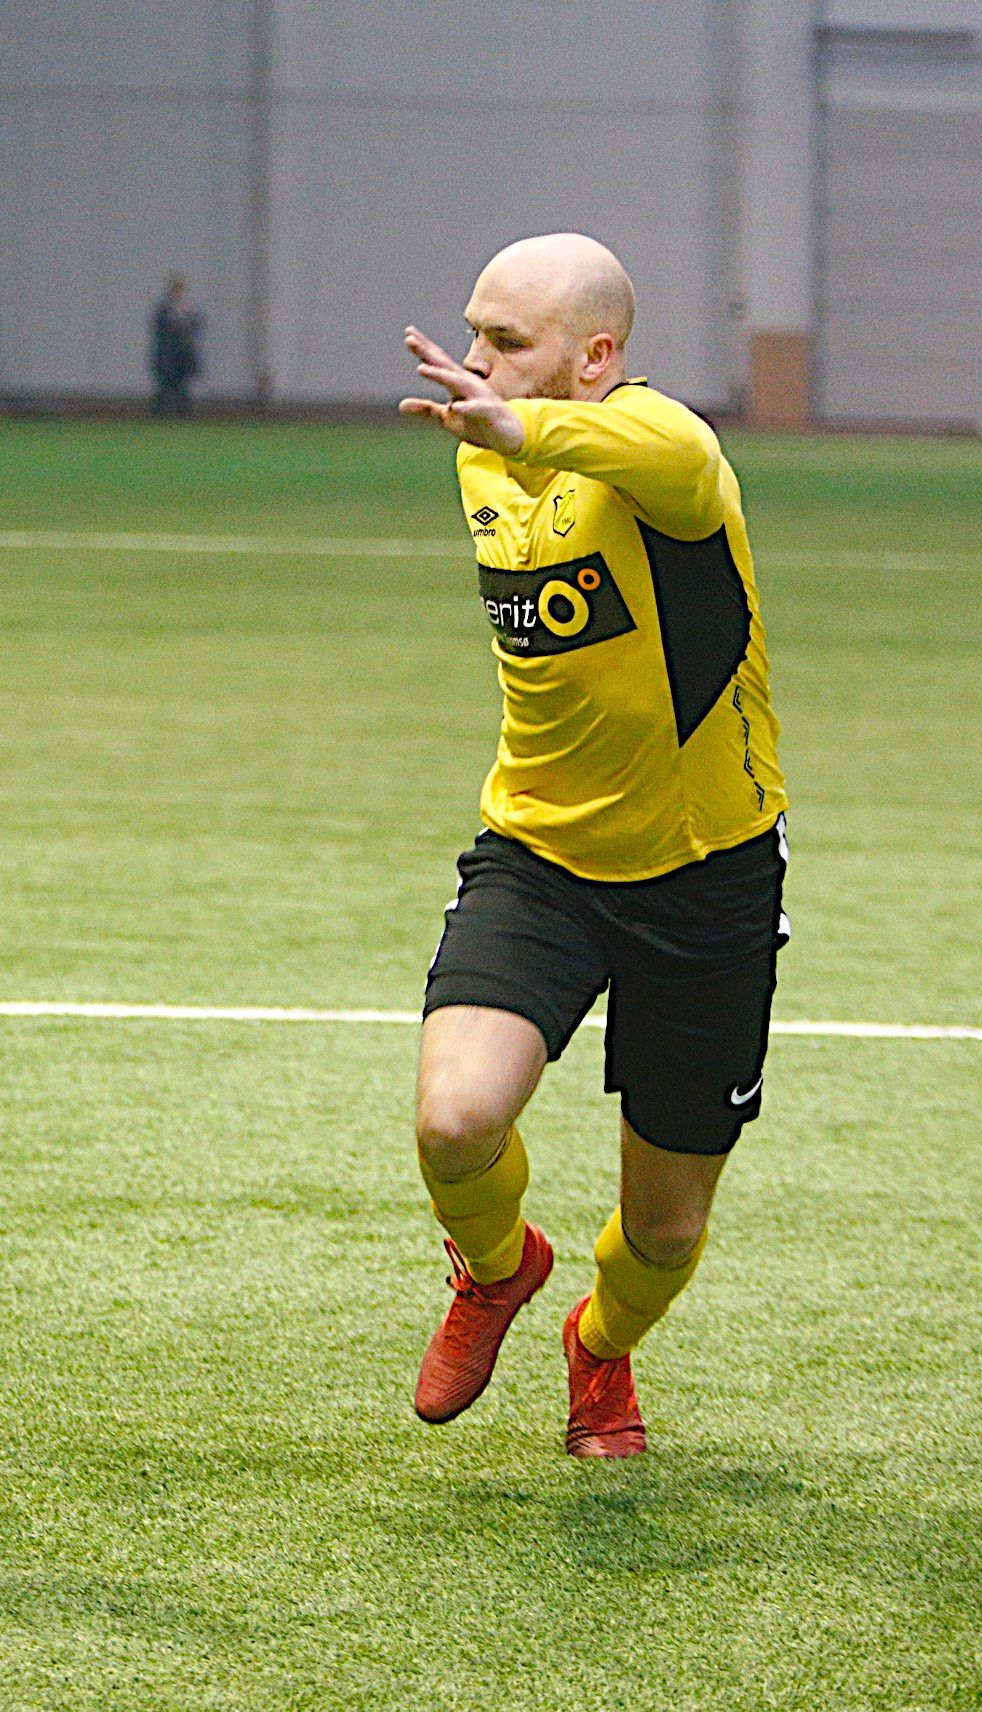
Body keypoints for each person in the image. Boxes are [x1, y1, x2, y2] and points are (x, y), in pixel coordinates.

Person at [397, 232, 789, 1458]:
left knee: (665, 1232)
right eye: (473, 333)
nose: (475, 362)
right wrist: (509, 427)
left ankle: (600, 1347)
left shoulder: (659, 453)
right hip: (540, 856)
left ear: (596, 356)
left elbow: (676, 452)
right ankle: (497, 1269)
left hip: (707, 872)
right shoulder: (483, 449)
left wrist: (528, 428)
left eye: (508, 342)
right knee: (454, 1120)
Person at [149, 274, 202, 416]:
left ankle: (184, 413)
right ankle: (161, 414)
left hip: (184, 355)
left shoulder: (189, 309)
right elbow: (160, 327)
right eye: (176, 290)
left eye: (180, 290)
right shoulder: (164, 308)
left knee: (183, 386)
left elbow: (196, 326)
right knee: (166, 386)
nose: (178, 293)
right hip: (168, 355)